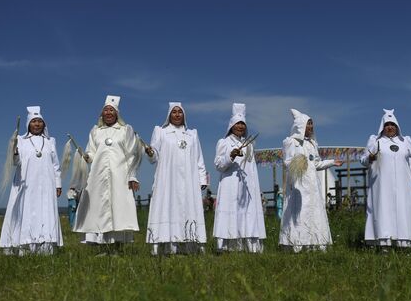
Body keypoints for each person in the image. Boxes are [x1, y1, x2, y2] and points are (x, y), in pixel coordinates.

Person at [72, 95, 140, 247]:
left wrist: (132, 177)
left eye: (111, 110)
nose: (108, 113)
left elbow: (131, 155)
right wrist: (86, 156)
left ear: (117, 113)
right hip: (98, 175)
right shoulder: (96, 131)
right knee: (97, 206)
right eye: (106, 110)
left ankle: (118, 244)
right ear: (101, 114)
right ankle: (100, 244)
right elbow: (92, 152)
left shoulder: (125, 130)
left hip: (120, 175)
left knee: (119, 206)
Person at [145, 102, 208, 255]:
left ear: (184, 115)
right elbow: (155, 156)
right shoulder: (161, 132)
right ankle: (167, 246)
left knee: (189, 208)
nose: (177, 114)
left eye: (180, 112)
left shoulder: (192, 134)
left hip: (189, 180)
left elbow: (199, 157)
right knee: (168, 207)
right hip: (168, 179)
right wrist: (151, 153)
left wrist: (202, 178)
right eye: (174, 112)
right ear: (169, 115)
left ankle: (190, 246)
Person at [0, 106, 63, 255]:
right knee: (27, 211)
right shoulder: (20, 140)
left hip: (47, 184)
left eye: (39, 121)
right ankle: (25, 246)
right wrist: (14, 150)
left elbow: (56, 165)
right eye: (34, 121)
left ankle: (46, 246)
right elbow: (15, 162)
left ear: (44, 124)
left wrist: (58, 183)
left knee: (45, 212)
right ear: (28, 124)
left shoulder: (50, 141)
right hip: (26, 184)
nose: (37, 124)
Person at [279, 109, 342, 252]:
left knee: (314, 213)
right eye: (308, 124)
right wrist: (297, 162)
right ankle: (297, 244)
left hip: (313, 186)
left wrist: (332, 162)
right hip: (298, 186)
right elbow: (286, 163)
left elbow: (316, 164)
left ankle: (314, 244)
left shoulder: (312, 144)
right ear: (300, 126)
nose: (311, 127)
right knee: (300, 214)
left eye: (312, 124)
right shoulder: (290, 142)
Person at [360, 109, 411, 248]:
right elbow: (363, 160)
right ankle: (384, 242)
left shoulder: (405, 141)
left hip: (404, 184)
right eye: (387, 125)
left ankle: (404, 243)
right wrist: (370, 158)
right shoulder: (375, 141)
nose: (390, 127)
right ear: (382, 127)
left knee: (403, 210)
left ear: (397, 126)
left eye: (392, 125)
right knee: (383, 210)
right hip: (381, 185)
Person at [212, 103, 266, 253]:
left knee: (248, 214)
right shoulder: (224, 143)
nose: (240, 127)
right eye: (237, 124)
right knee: (231, 212)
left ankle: (249, 245)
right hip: (231, 184)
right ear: (231, 126)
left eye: (243, 124)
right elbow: (218, 165)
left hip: (247, 186)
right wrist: (231, 156)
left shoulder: (249, 144)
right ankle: (228, 246)